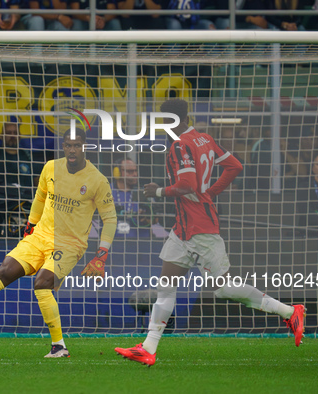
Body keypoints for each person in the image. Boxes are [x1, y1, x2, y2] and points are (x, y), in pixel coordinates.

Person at [115, 99, 305, 367]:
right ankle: (148, 348)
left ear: (172, 120)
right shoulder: (204, 138)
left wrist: (157, 191)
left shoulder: (180, 145)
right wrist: (212, 192)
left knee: (222, 288)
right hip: (183, 228)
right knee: (166, 286)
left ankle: (289, 311)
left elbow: (186, 184)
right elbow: (235, 166)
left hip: (200, 228)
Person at [0, 128, 117, 358]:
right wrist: (30, 225)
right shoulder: (51, 167)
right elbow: (40, 197)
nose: (72, 150)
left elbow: (110, 218)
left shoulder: (97, 180)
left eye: (77, 145)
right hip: (39, 236)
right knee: (4, 272)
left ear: (84, 147)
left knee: (42, 283)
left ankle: (59, 346)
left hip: (69, 245)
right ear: (63, 146)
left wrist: (101, 254)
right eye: (68, 145)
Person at [0, 122, 36, 237]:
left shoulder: (28, 157)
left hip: (28, 208)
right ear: (2, 136)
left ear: (19, 136)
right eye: (8, 133)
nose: (12, 135)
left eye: (15, 133)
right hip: (5, 209)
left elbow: (37, 179)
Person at [111, 158, 153, 237]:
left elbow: (155, 219)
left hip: (140, 242)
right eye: (130, 171)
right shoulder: (106, 191)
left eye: (135, 171)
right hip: (112, 243)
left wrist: (145, 217)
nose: (134, 174)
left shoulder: (144, 193)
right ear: (117, 173)